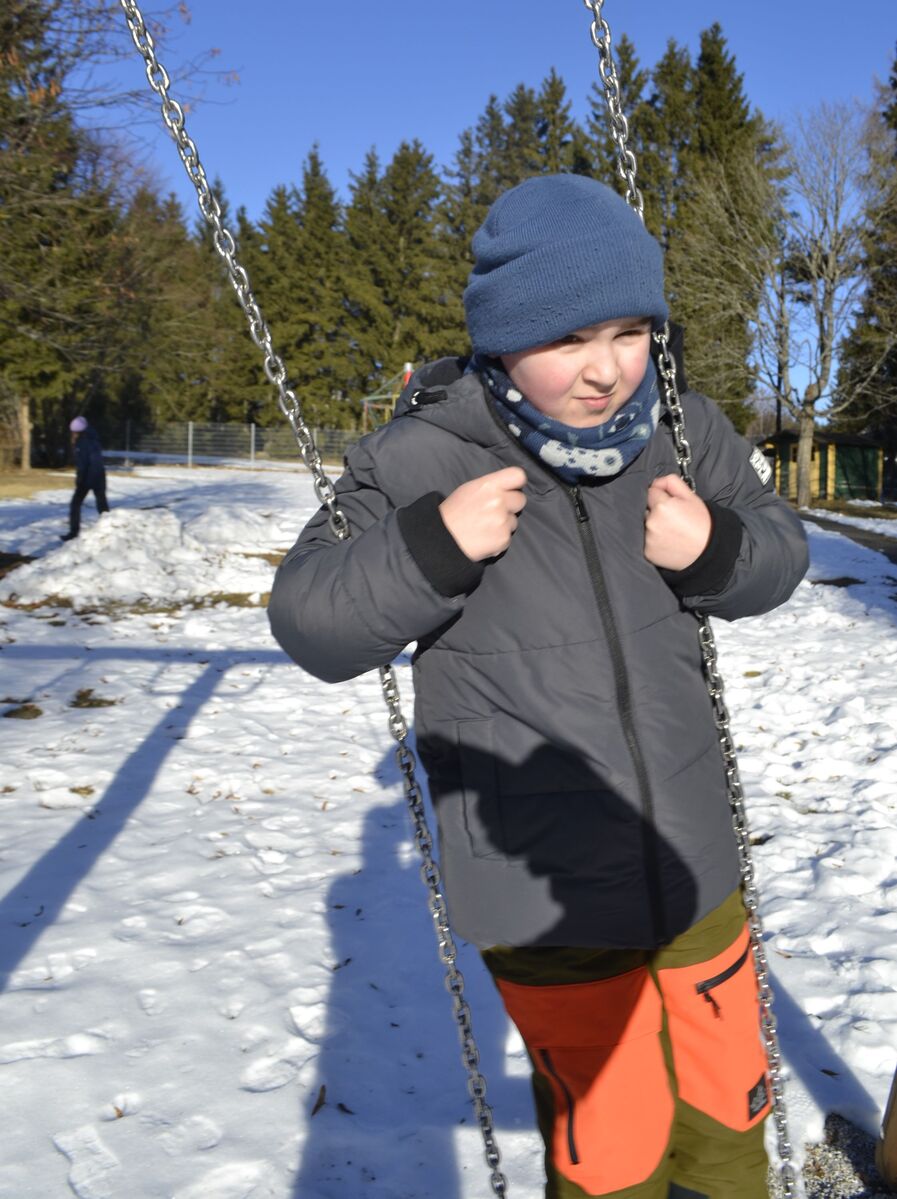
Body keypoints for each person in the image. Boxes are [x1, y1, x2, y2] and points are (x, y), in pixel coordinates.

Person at [268, 174, 808, 1199]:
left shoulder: (682, 427)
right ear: (503, 339)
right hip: (542, 892)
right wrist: (431, 546)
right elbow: (311, 621)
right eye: (568, 339)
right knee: (613, 1146)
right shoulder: (423, 454)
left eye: (629, 331)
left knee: (728, 1110)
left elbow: (779, 553)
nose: (607, 369)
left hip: (692, 857)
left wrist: (714, 548)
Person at [62, 415, 109, 541]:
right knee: (101, 505)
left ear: (77, 431)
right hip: (96, 477)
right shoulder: (90, 438)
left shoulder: (85, 442)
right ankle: (109, 528)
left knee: (77, 504)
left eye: (73, 432)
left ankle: (74, 532)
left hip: (90, 478)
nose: (72, 434)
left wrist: (81, 479)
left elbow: (86, 463)